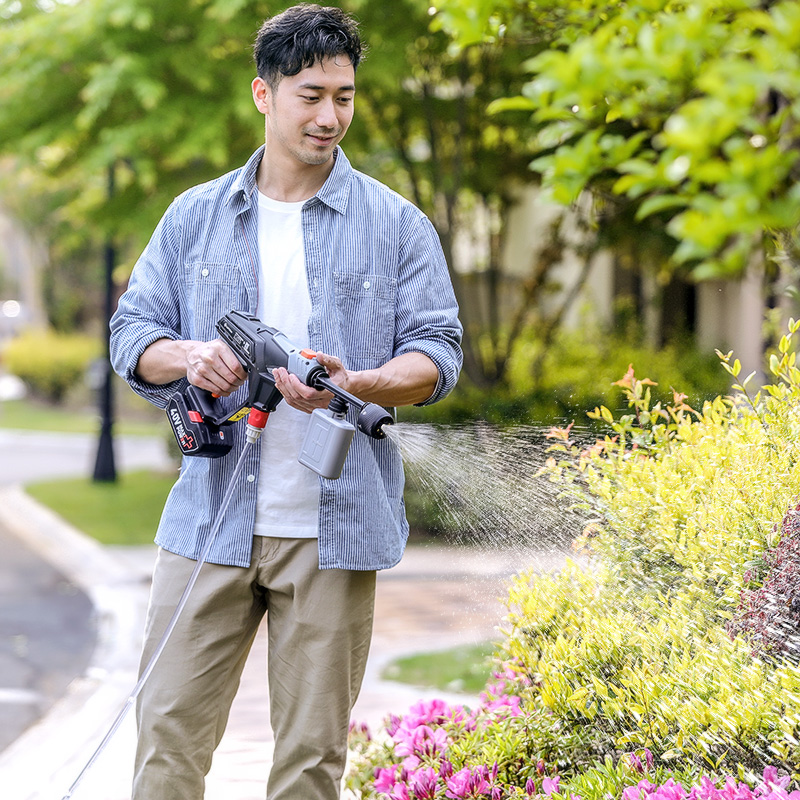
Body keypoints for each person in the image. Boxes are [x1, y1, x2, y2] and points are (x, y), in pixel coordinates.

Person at [109, 4, 462, 799]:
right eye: (311, 96)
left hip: (334, 532)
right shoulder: (195, 216)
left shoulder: (396, 225)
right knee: (166, 743)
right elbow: (132, 334)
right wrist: (192, 356)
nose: (330, 116)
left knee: (309, 764)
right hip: (210, 523)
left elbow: (437, 356)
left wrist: (355, 382)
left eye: (344, 96)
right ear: (264, 94)